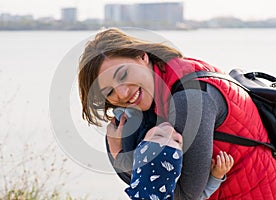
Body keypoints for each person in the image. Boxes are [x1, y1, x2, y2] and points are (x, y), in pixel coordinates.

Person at [78, 28, 276, 199]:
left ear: (142, 56)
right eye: (109, 92)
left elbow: (183, 196)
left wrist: (118, 156)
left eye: (122, 74)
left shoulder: (188, 100)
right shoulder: (167, 79)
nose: (122, 93)